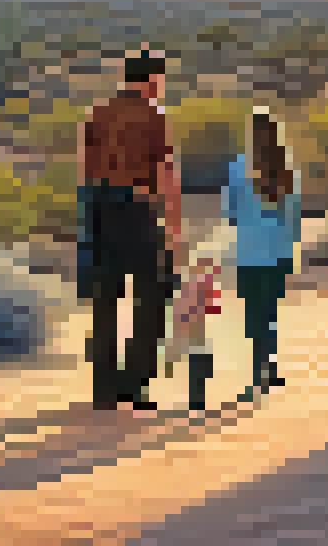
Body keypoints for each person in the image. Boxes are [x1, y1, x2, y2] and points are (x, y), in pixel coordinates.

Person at [81, 49, 183, 411]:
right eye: (160, 79)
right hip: (138, 209)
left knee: (105, 300)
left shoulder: (99, 113)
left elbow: (86, 170)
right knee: (153, 296)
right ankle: (134, 383)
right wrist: (174, 227)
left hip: (100, 208)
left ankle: (104, 387)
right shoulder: (154, 115)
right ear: (151, 79)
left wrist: (88, 218)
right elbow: (166, 172)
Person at [222, 106, 302, 398]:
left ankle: (259, 374)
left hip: (248, 252)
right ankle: (271, 369)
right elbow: (294, 216)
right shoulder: (286, 170)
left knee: (254, 316)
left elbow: (230, 213)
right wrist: (290, 249)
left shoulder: (237, 168)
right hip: (278, 251)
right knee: (270, 313)